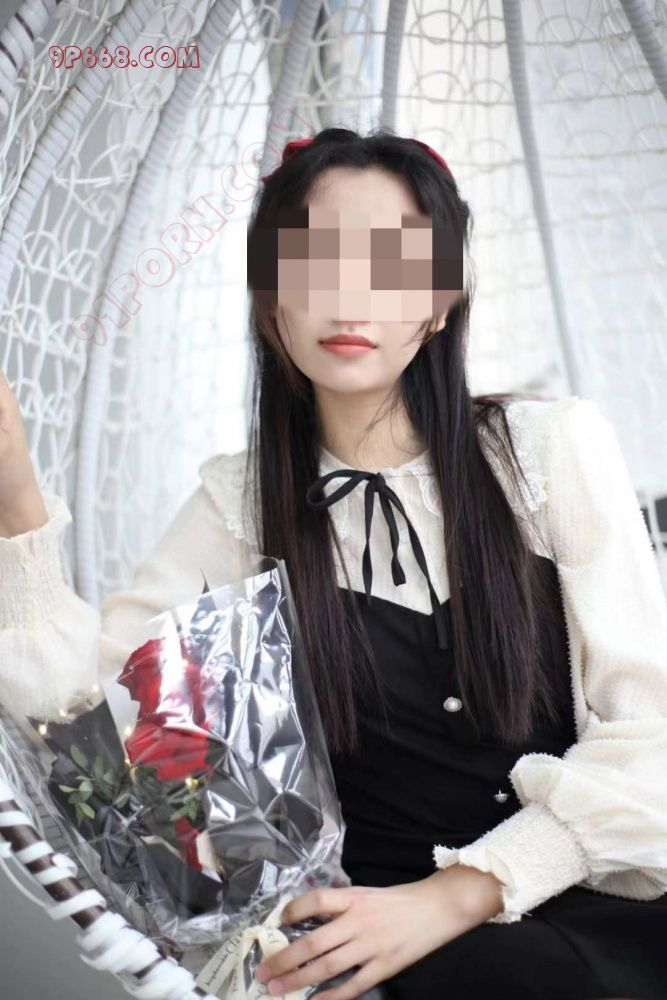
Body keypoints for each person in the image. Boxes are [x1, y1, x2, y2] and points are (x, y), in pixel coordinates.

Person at [1, 126, 667, 1000]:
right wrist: (18, 503)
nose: (350, 298)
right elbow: (101, 753)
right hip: (365, 952)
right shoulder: (238, 507)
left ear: (441, 302)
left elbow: (651, 739)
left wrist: (454, 896)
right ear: (269, 300)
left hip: (597, 911)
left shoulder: (545, 451)